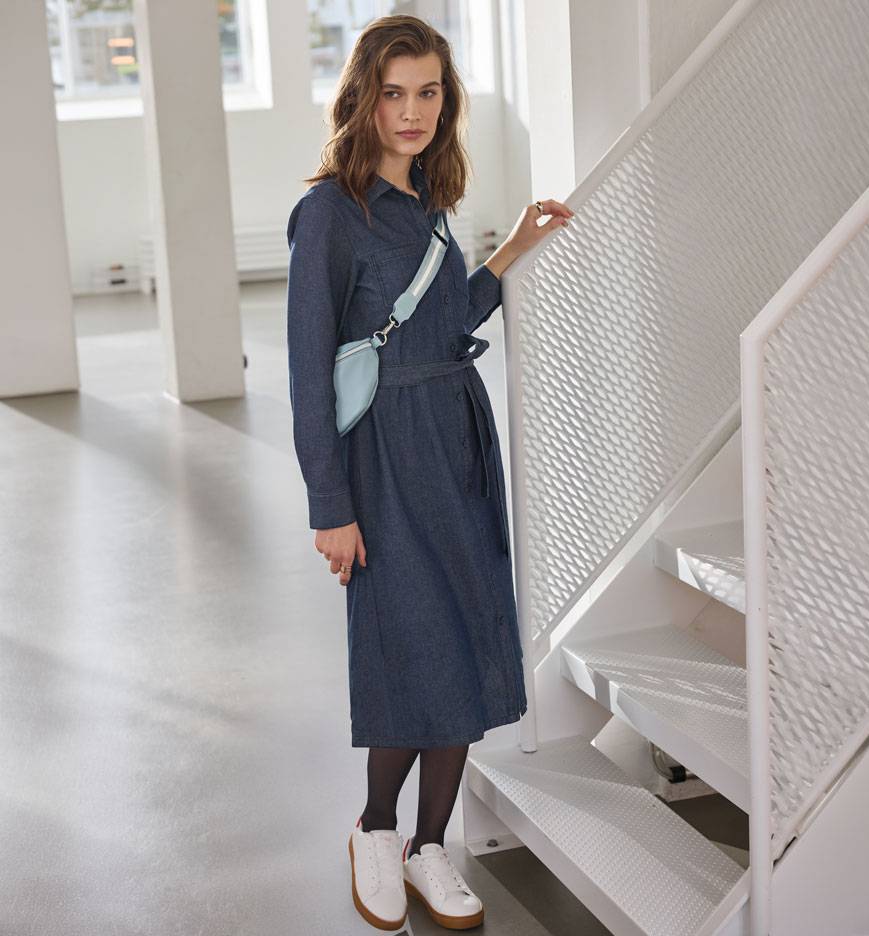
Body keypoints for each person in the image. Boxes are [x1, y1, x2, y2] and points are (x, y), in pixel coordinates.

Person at [285, 14, 573, 931]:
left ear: (447, 102)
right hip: (384, 459)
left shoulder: (432, 202)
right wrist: (330, 505)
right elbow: (305, 367)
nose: (411, 111)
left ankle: (431, 843)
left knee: (464, 637)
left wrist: (515, 245)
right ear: (363, 99)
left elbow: (444, 323)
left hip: (455, 446)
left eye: (430, 92)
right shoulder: (332, 210)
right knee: (409, 641)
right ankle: (376, 828)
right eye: (394, 92)